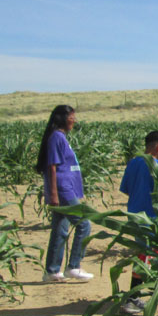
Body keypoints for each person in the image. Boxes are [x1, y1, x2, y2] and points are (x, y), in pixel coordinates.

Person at [35, 105, 93, 282]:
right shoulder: (56, 138)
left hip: (66, 189)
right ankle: (74, 267)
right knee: (84, 224)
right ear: (61, 118)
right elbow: (52, 167)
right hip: (62, 190)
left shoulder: (60, 137)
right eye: (71, 117)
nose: (74, 120)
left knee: (60, 228)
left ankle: (52, 271)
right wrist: (53, 194)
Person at [119, 130, 158, 314]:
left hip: (135, 216)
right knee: (146, 257)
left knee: (144, 255)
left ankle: (139, 295)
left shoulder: (133, 162)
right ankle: (132, 298)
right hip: (153, 219)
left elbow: (125, 188)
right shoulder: (156, 166)